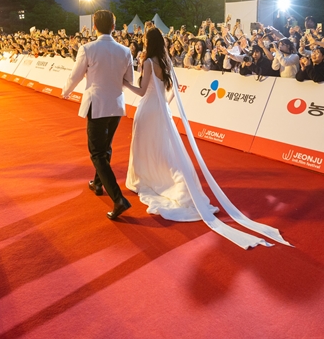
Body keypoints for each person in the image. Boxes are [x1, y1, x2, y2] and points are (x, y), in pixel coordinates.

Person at [123, 28, 288, 249]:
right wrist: (163, 104)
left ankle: (145, 178)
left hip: (148, 110)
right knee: (163, 148)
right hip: (161, 109)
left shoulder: (148, 62)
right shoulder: (166, 61)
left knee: (144, 146)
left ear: (147, 42)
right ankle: (166, 179)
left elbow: (142, 92)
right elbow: (174, 89)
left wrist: (124, 83)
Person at [62, 10, 134, 220]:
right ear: (114, 26)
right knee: (106, 147)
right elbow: (128, 80)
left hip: (97, 104)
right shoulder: (125, 51)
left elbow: (75, 75)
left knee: (96, 152)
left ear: (94, 27)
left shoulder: (87, 49)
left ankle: (118, 198)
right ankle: (97, 183)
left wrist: (66, 91)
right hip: (116, 105)